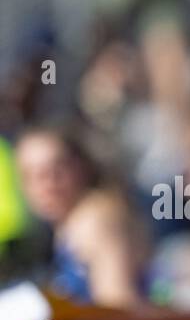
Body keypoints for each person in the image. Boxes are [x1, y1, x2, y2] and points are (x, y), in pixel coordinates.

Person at [15, 126, 151, 309]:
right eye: (33, 175)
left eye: (58, 169)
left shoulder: (94, 219)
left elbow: (118, 308)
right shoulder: (66, 224)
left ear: (82, 167)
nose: (48, 184)